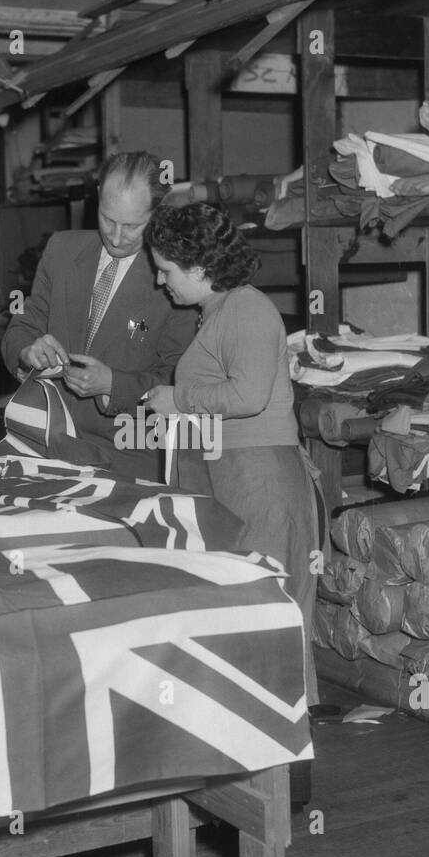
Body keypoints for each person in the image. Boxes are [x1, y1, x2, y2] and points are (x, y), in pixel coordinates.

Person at [142, 202, 321, 705]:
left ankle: (282, 765)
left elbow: (248, 398)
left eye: (167, 269)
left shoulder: (246, 309)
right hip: (232, 474)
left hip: (258, 477)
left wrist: (177, 399)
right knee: (243, 611)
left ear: (199, 267)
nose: (160, 281)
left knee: (268, 611)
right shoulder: (216, 312)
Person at [0, 151, 198, 481]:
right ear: (97, 196)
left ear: (157, 213)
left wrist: (112, 385)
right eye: (107, 219)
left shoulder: (175, 278)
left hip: (124, 459)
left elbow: (181, 381)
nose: (117, 237)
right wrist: (27, 350)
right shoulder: (61, 250)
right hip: (44, 446)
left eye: (133, 226)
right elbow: (22, 323)